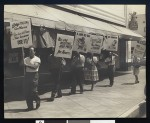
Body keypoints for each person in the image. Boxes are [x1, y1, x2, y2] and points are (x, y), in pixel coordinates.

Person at [23, 46, 41, 111]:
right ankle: (30, 106)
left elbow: (35, 67)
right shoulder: (25, 59)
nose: (30, 52)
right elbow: (21, 64)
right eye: (29, 51)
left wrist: (26, 65)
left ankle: (37, 100)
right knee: (27, 91)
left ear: (34, 52)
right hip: (27, 75)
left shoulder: (37, 59)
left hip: (34, 75)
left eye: (31, 51)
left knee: (33, 91)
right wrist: (22, 59)